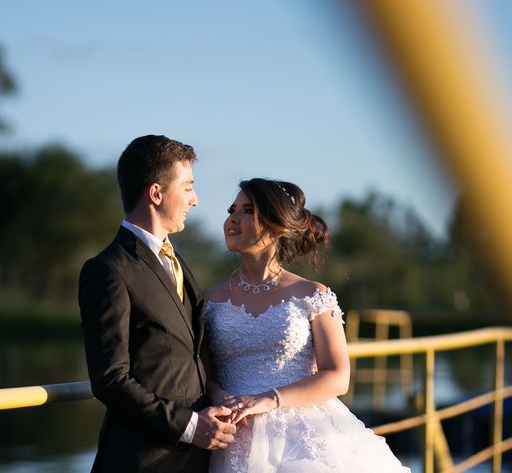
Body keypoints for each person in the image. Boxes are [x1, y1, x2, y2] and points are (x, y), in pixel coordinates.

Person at [203, 178, 411, 472]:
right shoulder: (209, 301)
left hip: (305, 434)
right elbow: (204, 373)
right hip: (234, 432)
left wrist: (268, 399)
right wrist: (217, 395)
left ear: (277, 225)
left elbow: (338, 376)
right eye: (231, 209)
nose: (232, 218)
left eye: (248, 210)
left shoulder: (313, 295)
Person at [78, 134, 237, 472]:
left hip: (195, 458)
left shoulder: (177, 260)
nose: (195, 200)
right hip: (143, 460)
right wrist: (191, 427)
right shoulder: (107, 270)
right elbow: (110, 380)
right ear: (156, 193)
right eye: (188, 187)